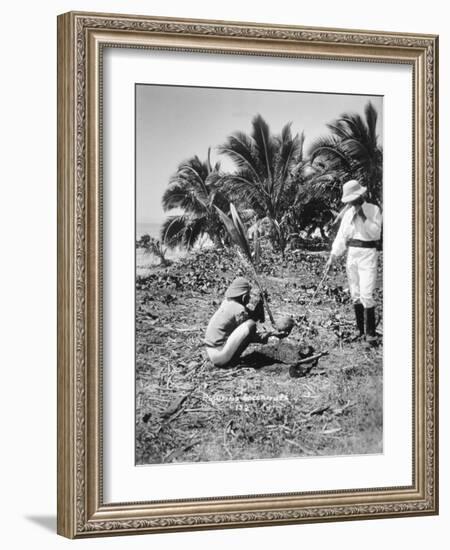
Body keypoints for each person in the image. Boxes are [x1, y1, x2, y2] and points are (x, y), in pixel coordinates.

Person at [326, 179, 382, 344]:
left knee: (366, 293)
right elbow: (341, 238)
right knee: (355, 294)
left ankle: (370, 333)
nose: (351, 203)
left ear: (360, 195)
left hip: (368, 254)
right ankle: (360, 330)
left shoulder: (373, 210)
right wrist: (332, 257)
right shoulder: (347, 215)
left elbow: (375, 234)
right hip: (352, 254)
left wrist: (363, 216)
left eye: (353, 199)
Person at [204, 277, 282, 367]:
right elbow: (251, 333)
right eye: (248, 296)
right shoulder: (239, 310)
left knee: (250, 323)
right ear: (244, 297)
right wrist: (271, 336)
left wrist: (260, 305)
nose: (249, 298)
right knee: (250, 325)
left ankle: (229, 359)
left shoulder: (227, 302)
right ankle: (232, 361)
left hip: (211, 352)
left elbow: (249, 316)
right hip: (220, 356)